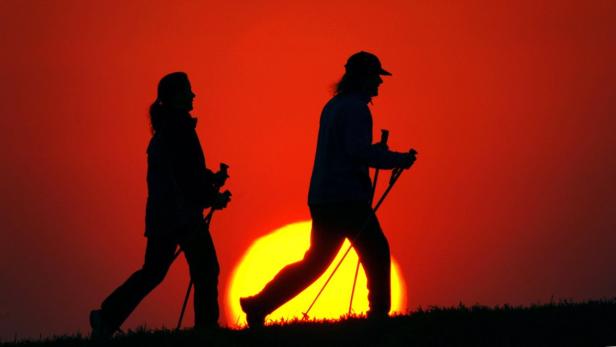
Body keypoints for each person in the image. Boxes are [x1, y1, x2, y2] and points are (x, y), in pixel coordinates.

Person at [240, 51, 417, 328]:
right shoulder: (357, 109)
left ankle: (259, 304)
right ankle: (380, 316)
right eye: (375, 77)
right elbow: (356, 152)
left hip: (325, 196)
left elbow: (348, 150)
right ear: (362, 78)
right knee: (377, 251)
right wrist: (397, 159)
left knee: (315, 263)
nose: (379, 84)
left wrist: (376, 153)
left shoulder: (334, 106)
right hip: (346, 198)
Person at [90, 72, 231, 338]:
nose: (193, 95)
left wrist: (211, 182)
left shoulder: (167, 130)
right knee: (206, 268)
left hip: (162, 215)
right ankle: (206, 330)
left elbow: (184, 173)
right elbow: (187, 177)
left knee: (153, 272)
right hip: (182, 215)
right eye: (188, 90)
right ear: (177, 96)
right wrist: (212, 197)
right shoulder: (180, 130)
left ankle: (106, 316)